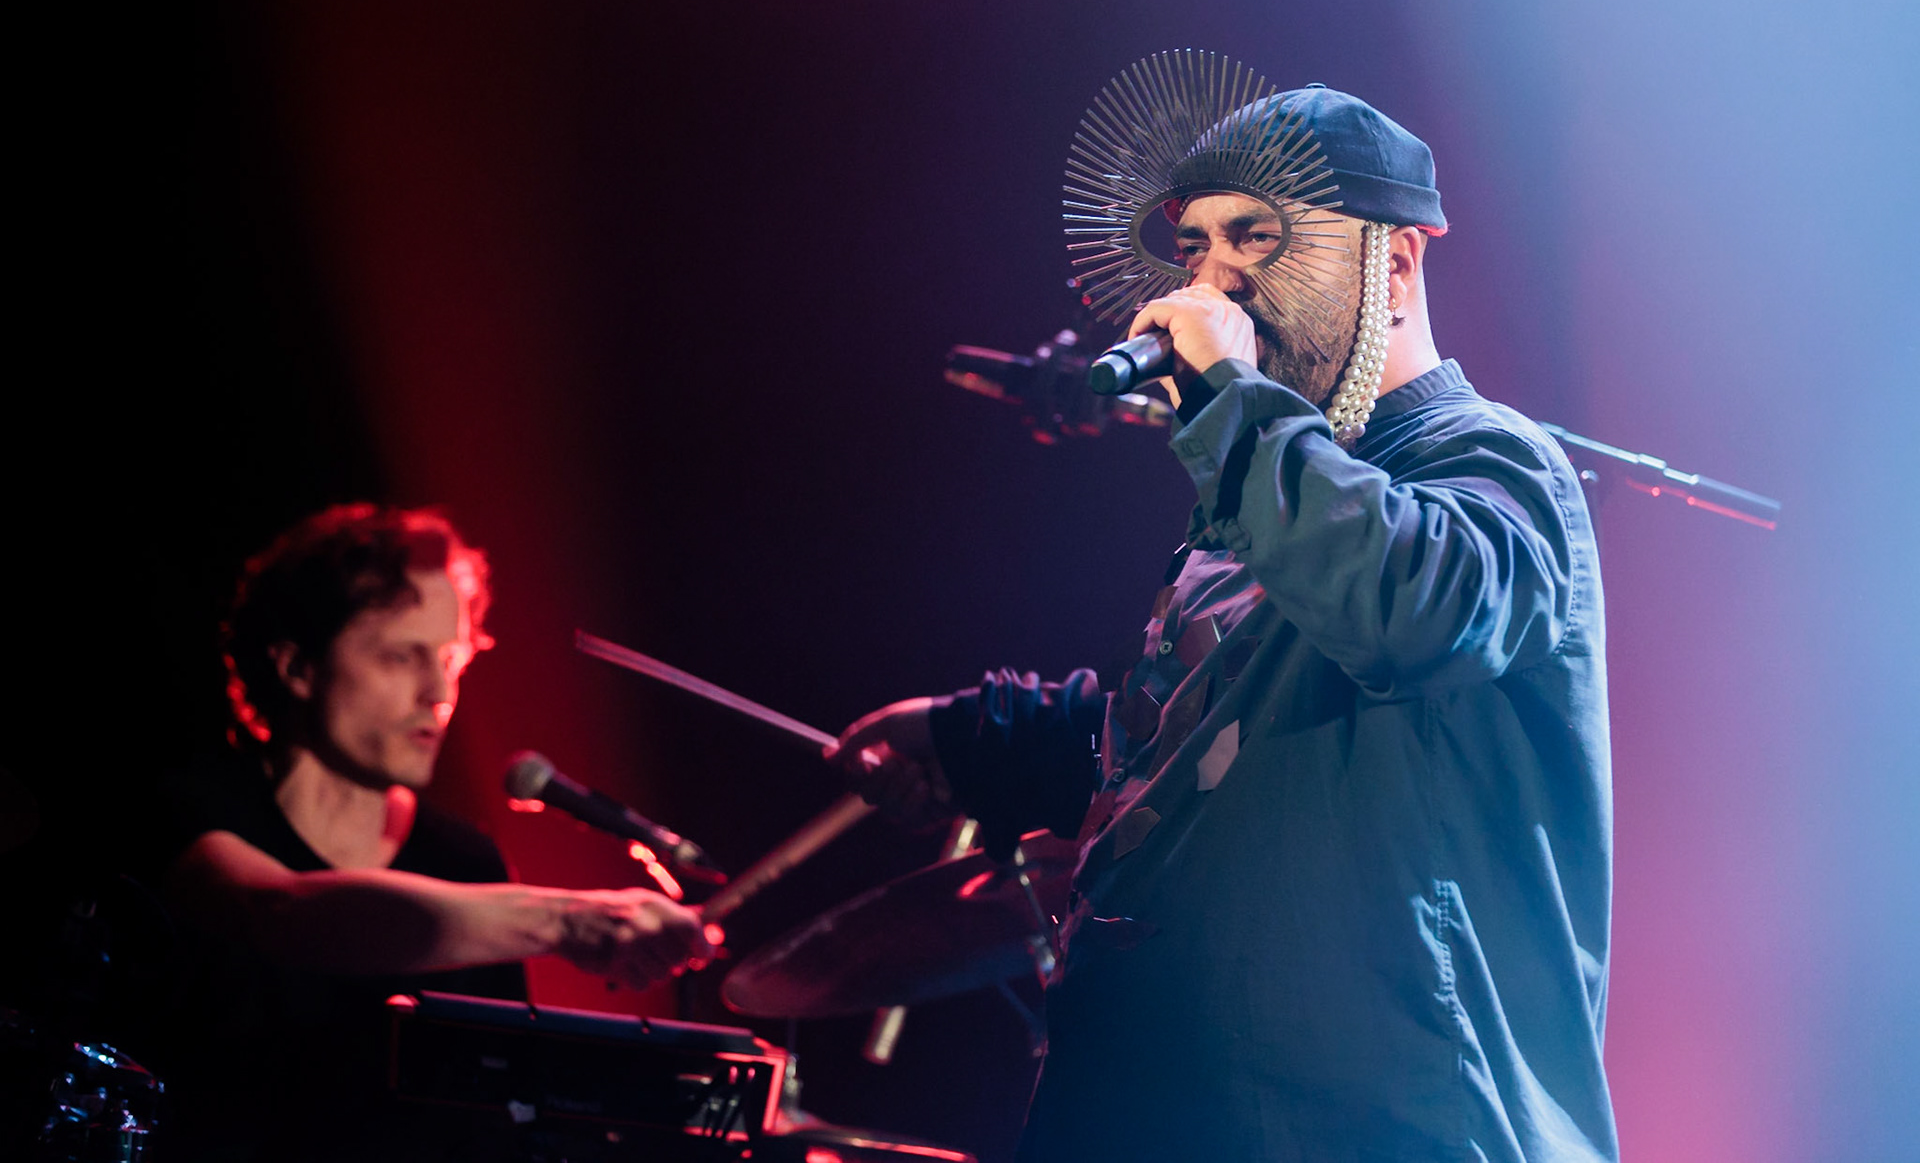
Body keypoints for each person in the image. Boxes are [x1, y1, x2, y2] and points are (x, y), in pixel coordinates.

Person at [835, 85, 1616, 1162]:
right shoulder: (1260, 495)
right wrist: (986, 736)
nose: (1216, 280)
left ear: (1396, 262)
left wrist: (1235, 397)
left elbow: (1409, 608)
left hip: (1386, 1119)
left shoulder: (1489, 462)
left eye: (1259, 237)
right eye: (1198, 245)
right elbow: (1204, 727)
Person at [152, 504, 709, 1160]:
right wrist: (565, 920)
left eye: (452, 657)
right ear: (296, 666)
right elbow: (276, 908)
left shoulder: (463, 858)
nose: (438, 691)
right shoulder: (198, 803)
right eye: (400, 656)